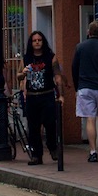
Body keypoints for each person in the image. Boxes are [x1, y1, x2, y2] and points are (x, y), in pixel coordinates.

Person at [71, 20, 98, 162]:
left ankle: (92, 151)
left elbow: (74, 68)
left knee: (90, 119)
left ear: (88, 32)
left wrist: (77, 86)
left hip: (85, 86)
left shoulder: (80, 47)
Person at [20, 32, 63, 164]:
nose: (37, 42)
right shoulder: (26, 58)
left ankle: (52, 147)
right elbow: (20, 77)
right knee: (33, 128)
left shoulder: (50, 57)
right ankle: (36, 155)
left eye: (39, 40)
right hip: (32, 97)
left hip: (47, 94)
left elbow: (57, 76)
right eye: (34, 40)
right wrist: (22, 75)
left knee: (50, 123)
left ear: (43, 42)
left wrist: (60, 95)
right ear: (31, 43)